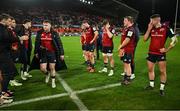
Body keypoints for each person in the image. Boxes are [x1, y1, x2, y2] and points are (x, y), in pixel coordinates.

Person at [144, 14, 177, 96]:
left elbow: (175, 40)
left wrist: (167, 49)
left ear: (157, 20)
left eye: (151, 20)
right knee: (150, 70)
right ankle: (151, 85)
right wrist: (148, 29)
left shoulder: (166, 28)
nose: (150, 22)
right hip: (151, 53)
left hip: (160, 54)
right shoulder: (151, 28)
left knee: (162, 71)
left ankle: (162, 89)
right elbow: (144, 39)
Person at [0, 13, 28, 103]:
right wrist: (20, 38)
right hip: (2, 54)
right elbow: (6, 38)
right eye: (9, 20)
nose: (10, 22)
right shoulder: (1, 28)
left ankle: (4, 91)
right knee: (7, 73)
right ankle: (3, 94)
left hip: (5, 52)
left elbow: (5, 40)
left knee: (8, 72)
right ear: (3, 20)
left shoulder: (3, 28)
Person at [34, 20, 65, 88]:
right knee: (42, 68)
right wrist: (35, 52)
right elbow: (37, 43)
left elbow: (59, 44)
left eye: (46, 25)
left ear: (50, 25)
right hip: (43, 53)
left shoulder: (54, 33)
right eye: (43, 25)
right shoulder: (39, 33)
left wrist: (62, 53)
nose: (44, 27)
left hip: (52, 53)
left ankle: (53, 81)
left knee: (52, 67)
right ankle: (47, 74)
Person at [118, 16, 136, 85]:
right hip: (124, 49)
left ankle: (128, 79)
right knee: (125, 63)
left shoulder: (131, 29)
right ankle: (125, 77)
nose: (123, 22)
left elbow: (127, 39)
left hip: (128, 50)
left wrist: (121, 46)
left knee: (128, 64)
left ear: (129, 21)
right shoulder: (125, 28)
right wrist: (122, 48)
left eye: (125, 20)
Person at [8, 17, 22, 87]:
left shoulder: (12, 30)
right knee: (10, 66)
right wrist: (11, 47)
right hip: (9, 51)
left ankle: (11, 79)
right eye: (13, 22)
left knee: (11, 65)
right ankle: (11, 80)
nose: (14, 23)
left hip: (13, 51)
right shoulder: (8, 30)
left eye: (14, 22)